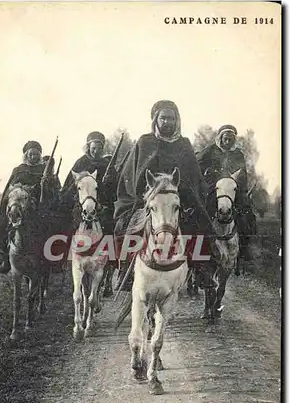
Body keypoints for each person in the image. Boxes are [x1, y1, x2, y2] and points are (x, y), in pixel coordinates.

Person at [114, 99, 215, 290]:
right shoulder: (145, 142)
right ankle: (125, 271)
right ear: (155, 120)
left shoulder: (184, 145)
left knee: (198, 226)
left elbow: (194, 176)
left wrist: (186, 193)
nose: (167, 122)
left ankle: (202, 270)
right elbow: (132, 174)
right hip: (147, 198)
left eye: (171, 118)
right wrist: (145, 191)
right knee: (128, 226)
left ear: (177, 121)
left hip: (179, 198)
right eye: (163, 118)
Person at [196, 124, 257, 260]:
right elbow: (198, 166)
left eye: (231, 140)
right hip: (213, 188)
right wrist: (210, 174)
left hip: (233, 188)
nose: (228, 142)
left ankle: (243, 249)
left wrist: (243, 192)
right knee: (202, 215)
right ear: (220, 138)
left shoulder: (238, 154)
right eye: (225, 139)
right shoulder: (209, 151)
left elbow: (243, 175)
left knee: (247, 214)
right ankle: (198, 251)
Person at [0, 140, 46, 274]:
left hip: (38, 205)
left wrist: (46, 183)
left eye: (36, 154)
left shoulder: (44, 170)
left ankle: (49, 260)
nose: (34, 157)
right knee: (3, 225)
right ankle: (6, 259)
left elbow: (53, 188)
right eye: (31, 154)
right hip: (18, 203)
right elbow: (10, 189)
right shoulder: (18, 170)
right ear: (26, 155)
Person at [62, 131, 118, 235]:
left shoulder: (107, 164)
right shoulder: (81, 162)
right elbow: (69, 185)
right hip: (82, 204)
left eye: (99, 149)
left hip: (103, 204)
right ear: (88, 147)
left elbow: (115, 188)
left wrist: (109, 182)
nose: (96, 151)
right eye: (93, 148)